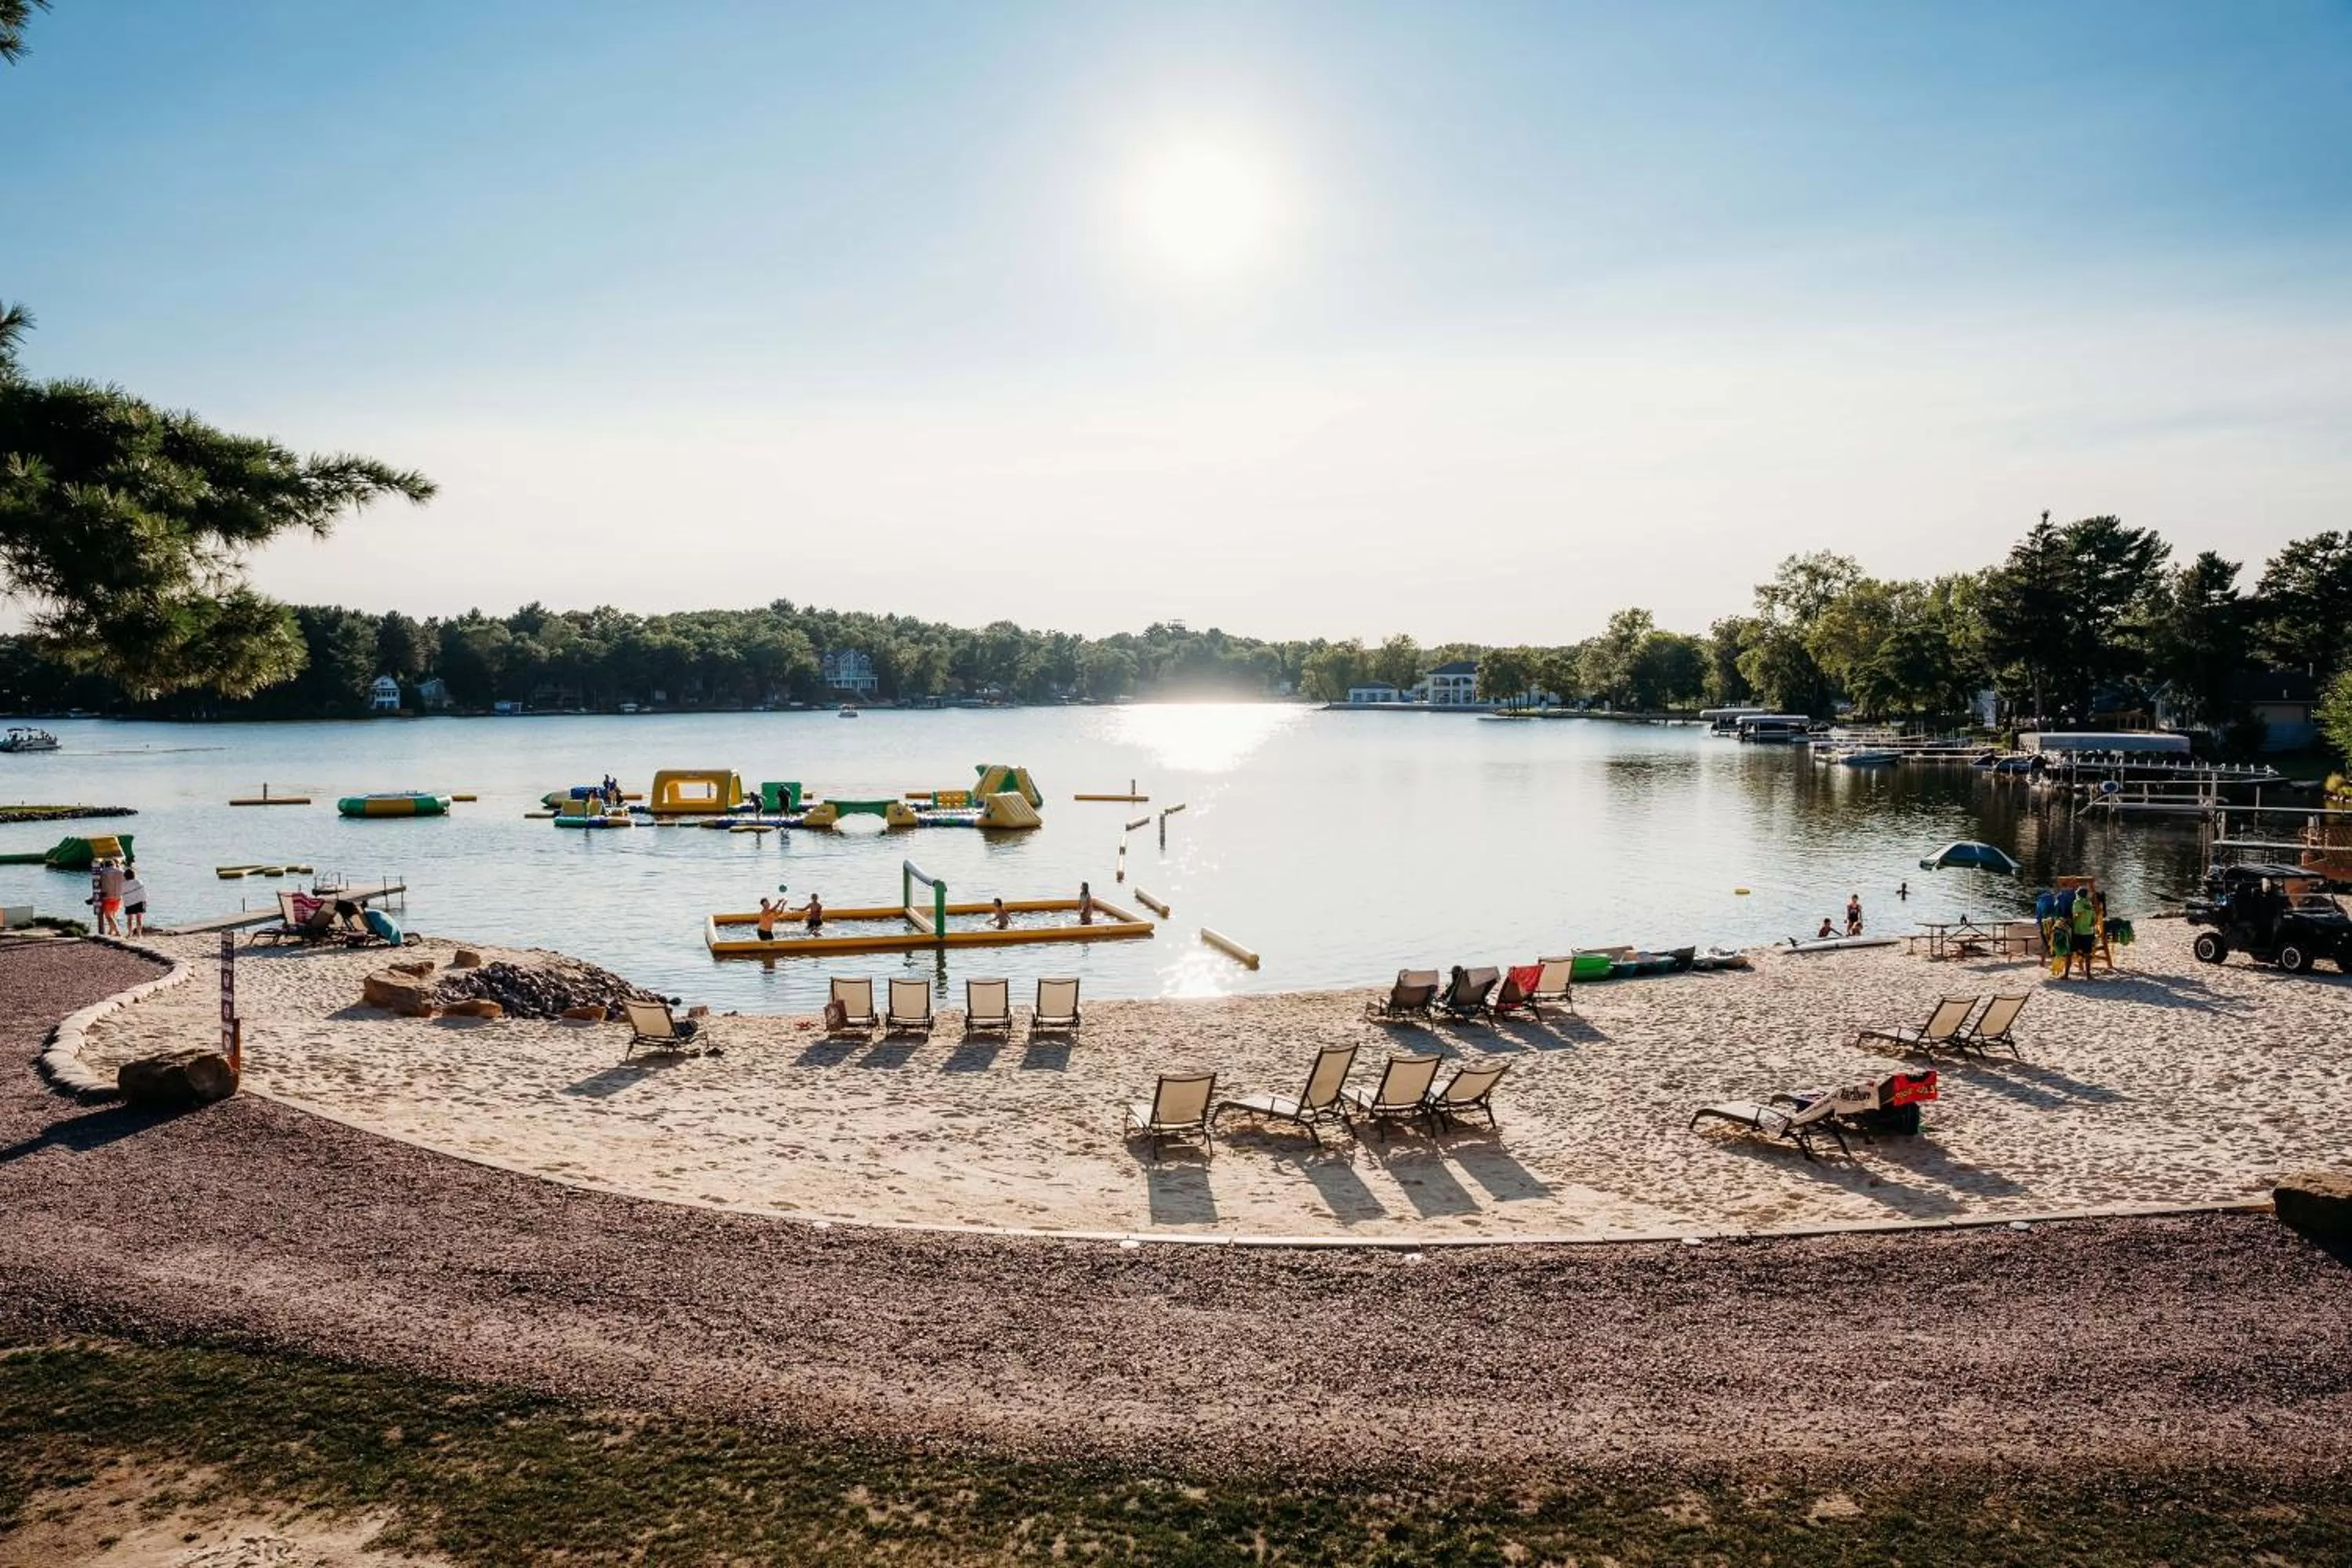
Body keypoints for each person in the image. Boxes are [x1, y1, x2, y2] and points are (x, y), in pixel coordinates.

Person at [95, 857, 125, 937]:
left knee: (108, 916)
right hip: (118, 897)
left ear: (105, 865)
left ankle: (118, 932)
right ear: (114, 864)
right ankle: (111, 931)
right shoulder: (121, 872)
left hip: (107, 897)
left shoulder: (102, 872)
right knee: (113, 915)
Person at [121, 861, 147, 936]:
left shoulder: (124, 884)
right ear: (134, 875)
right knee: (139, 918)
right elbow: (143, 892)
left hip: (129, 903)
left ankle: (130, 933)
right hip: (140, 901)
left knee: (129, 918)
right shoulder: (139, 882)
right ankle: (139, 934)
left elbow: (122, 893)